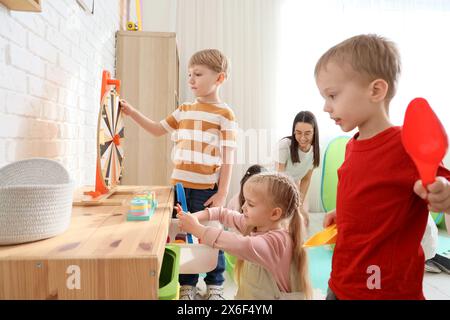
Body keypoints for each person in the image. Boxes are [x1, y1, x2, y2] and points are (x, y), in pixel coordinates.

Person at [314, 34, 450, 299]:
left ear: (375, 90)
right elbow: (369, 194)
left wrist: (444, 191)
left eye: (332, 95)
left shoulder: (406, 144)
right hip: (342, 278)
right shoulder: (352, 145)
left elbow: (442, 182)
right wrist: (342, 212)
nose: (326, 107)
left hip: (385, 288)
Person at [120, 49, 237, 300]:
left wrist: (223, 192)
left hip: (206, 191)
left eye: (198, 74)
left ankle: (215, 284)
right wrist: (132, 113)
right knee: (184, 237)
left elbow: (229, 157)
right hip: (180, 189)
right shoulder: (184, 109)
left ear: (220, 78)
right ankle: (188, 284)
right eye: (189, 74)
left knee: (209, 235)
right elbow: (155, 129)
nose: (191, 80)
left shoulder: (225, 115)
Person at [177, 172, 312, 300]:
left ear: (274, 214)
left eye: (251, 204)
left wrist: (197, 229)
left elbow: (241, 244)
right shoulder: (258, 224)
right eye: (245, 201)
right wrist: (193, 218)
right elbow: (222, 213)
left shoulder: (278, 242)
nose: (243, 207)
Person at [275, 111, 320, 225]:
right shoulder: (285, 145)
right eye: (298, 133)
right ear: (294, 131)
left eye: (308, 133)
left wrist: (299, 206)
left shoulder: (316, 150)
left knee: (303, 221)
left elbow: (306, 179)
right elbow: (279, 179)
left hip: (293, 184)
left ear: (314, 133)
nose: (303, 138)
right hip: (275, 183)